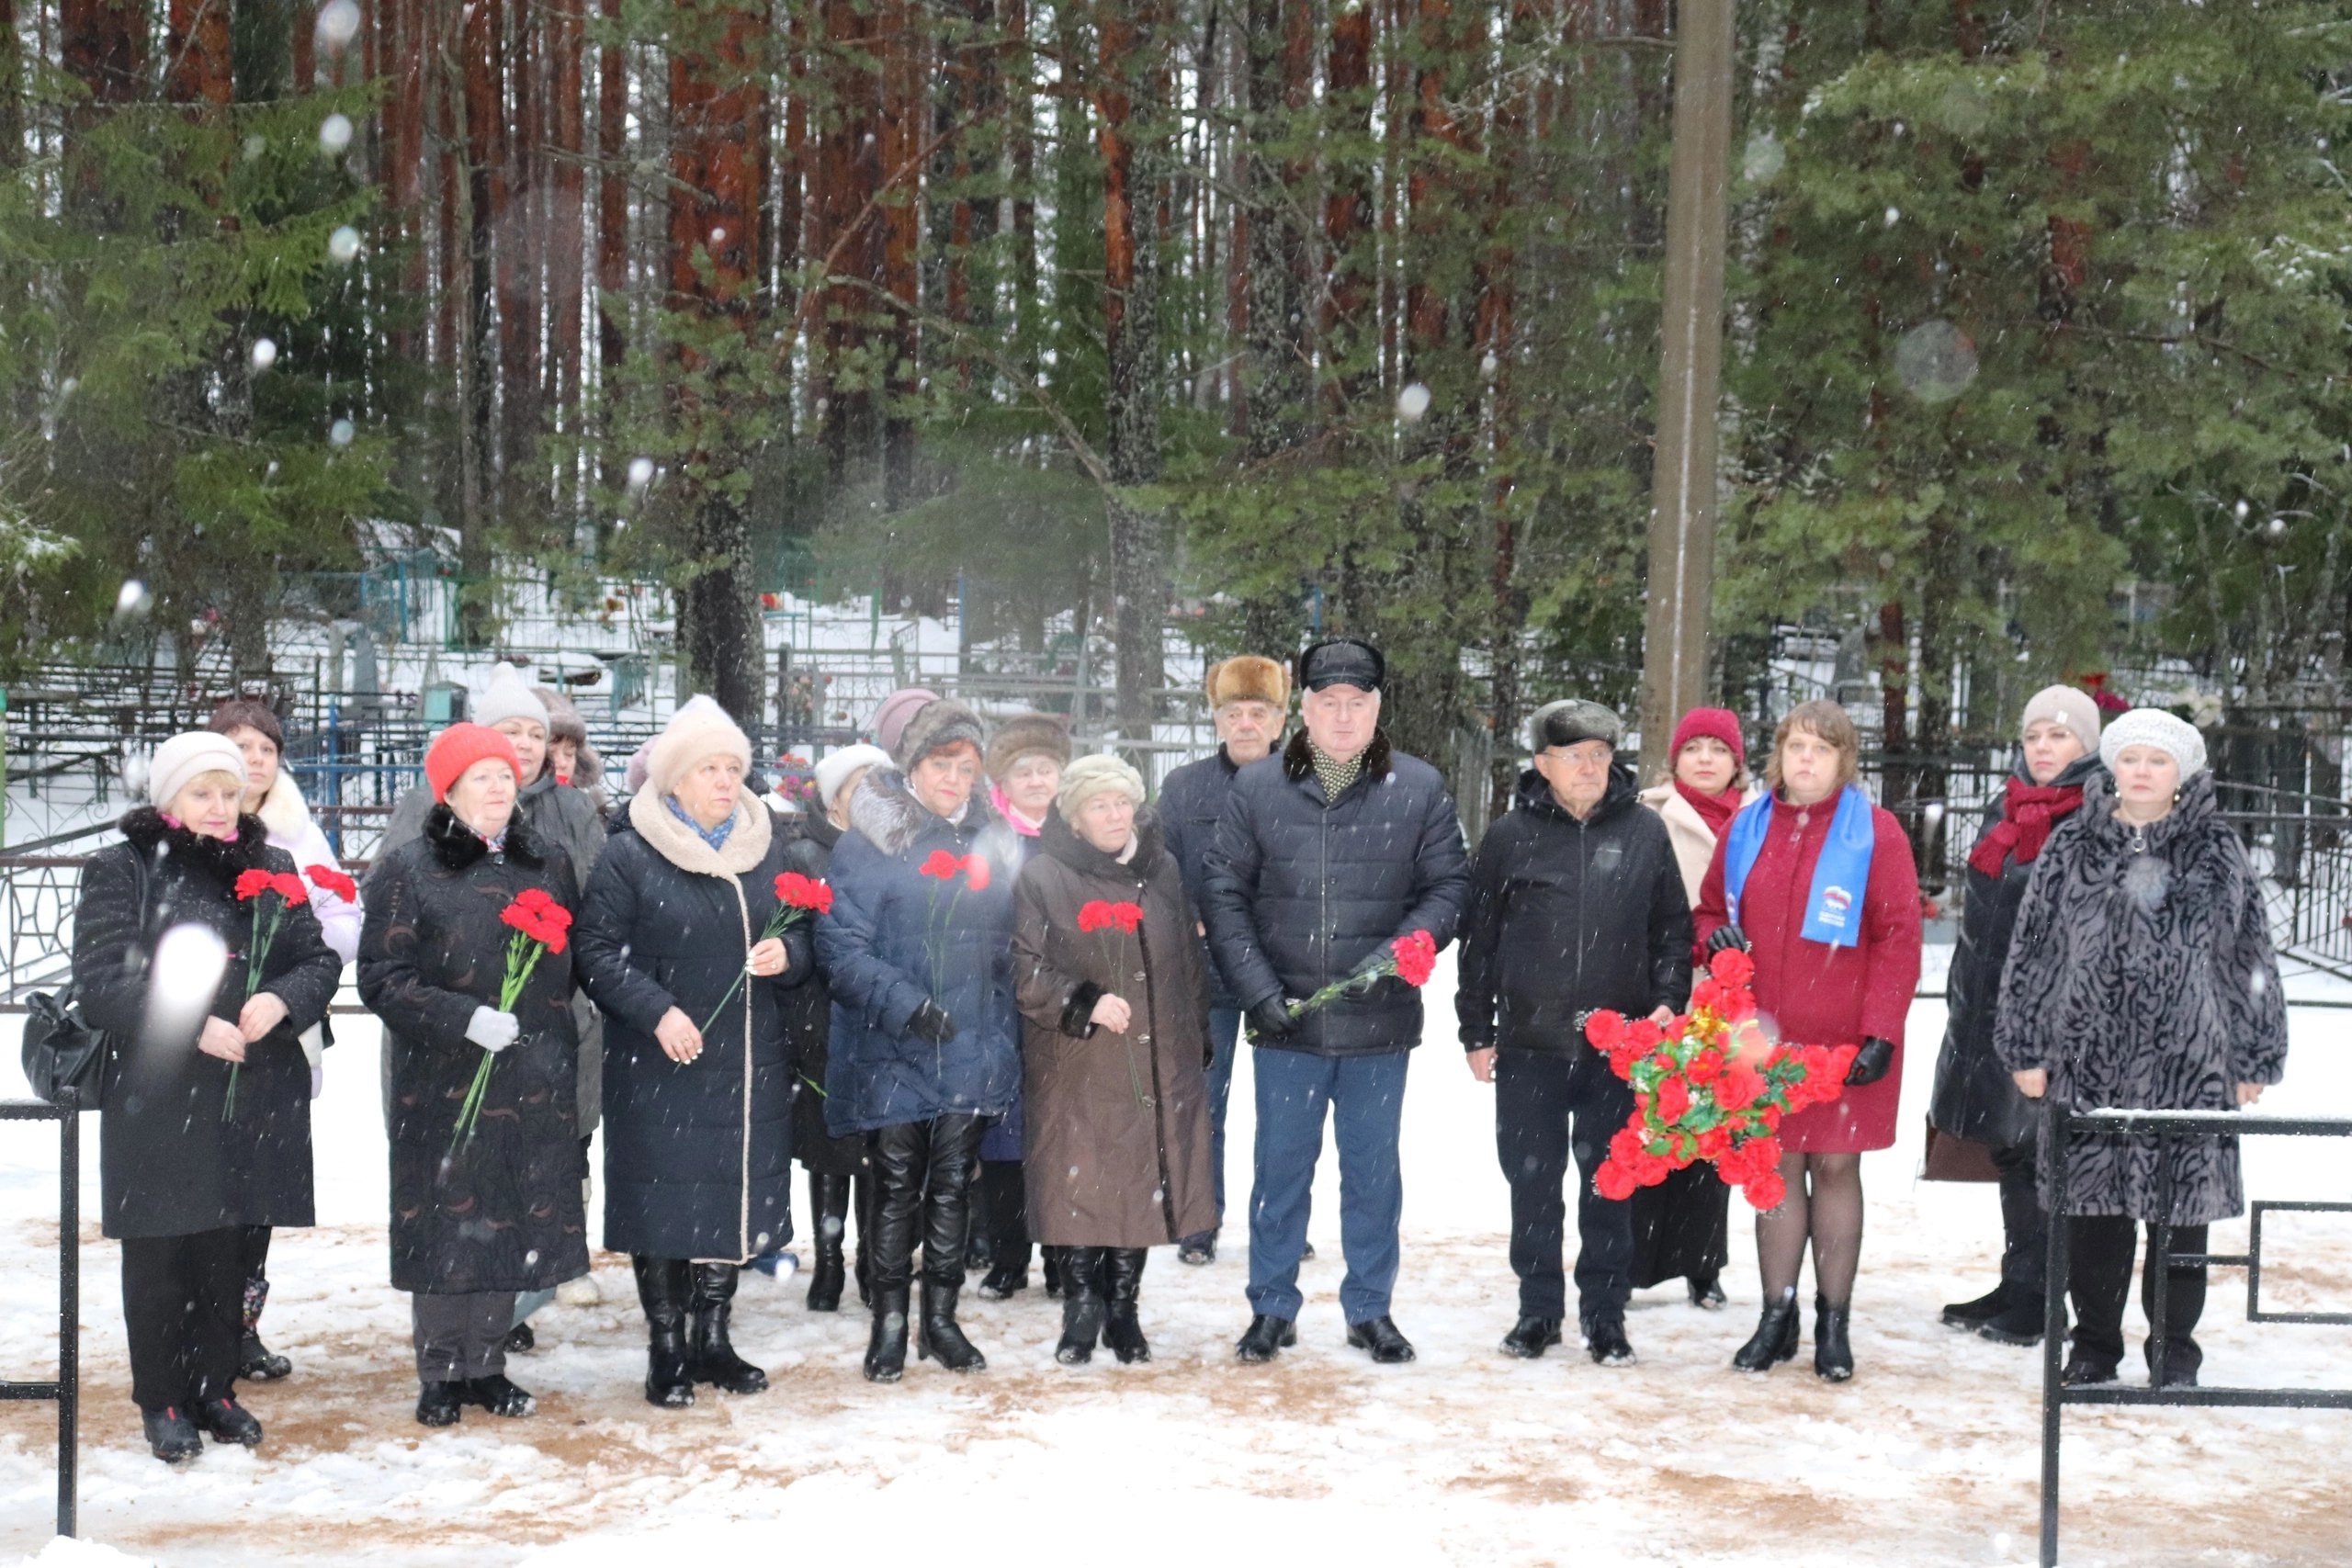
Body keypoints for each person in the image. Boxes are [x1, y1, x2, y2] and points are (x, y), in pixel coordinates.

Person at [1996, 708, 2288, 1388]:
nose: (2143, 771)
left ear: (2182, 772)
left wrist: (2254, 1055)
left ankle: (2174, 1351)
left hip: (2193, 1060)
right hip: (2089, 1059)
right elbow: (2034, 951)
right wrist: (2026, 1047)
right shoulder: (2072, 846)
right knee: (2093, 1216)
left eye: (2159, 760)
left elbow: (2251, 956)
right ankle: (2095, 1345)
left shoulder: (2217, 848)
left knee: (2181, 1218)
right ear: (2112, 767)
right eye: (2131, 758)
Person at [73, 732, 342, 1462]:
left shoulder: (272, 864)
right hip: (160, 1095)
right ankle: (162, 1399)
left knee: (228, 1247)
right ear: (168, 799)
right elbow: (102, 981)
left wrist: (283, 1000)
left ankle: (216, 1388)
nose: (221, 806)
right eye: (203, 792)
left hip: (249, 1089)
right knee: (162, 1253)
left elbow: (318, 958)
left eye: (230, 791)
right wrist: (194, 1023)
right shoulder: (122, 869)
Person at [1201, 637, 1470, 1365]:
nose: (1343, 717)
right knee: (1280, 1169)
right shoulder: (1257, 790)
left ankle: (1369, 1307)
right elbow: (1224, 894)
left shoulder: (1416, 788)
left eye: (1358, 703)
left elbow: (1448, 888)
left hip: (1377, 1025)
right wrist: (1257, 989)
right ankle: (1272, 1305)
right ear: (1306, 710)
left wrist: (1401, 951)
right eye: (1328, 703)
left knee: (1372, 1170)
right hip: (1286, 1020)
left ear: (1378, 709)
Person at [574, 701, 809, 1406]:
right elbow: (595, 954)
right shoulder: (631, 851)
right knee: (666, 1206)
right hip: (662, 1065)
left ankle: (715, 1337)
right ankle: (667, 1347)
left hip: (746, 1061)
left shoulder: (767, 846)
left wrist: (788, 953)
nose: (724, 780)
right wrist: (659, 1011)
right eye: (709, 767)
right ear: (675, 777)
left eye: (734, 767)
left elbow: (809, 937)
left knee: (729, 1203)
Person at [358, 724, 589, 1427]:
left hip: (530, 1073)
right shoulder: (409, 867)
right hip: (443, 1078)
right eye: (480, 776)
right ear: (449, 790)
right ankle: (439, 1369)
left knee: (508, 1214)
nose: (498, 786)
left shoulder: (545, 860)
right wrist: (461, 1016)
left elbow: (576, 956)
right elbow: (381, 977)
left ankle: (487, 1363)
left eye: (503, 774)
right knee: (445, 1221)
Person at [1457, 700, 1691, 1367]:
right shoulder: (1509, 836)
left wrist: (1668, 1001)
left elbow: (1672, 928)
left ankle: (1605, 1313)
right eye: (1572, 756)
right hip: (1530, 1042)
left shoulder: (1645, 832)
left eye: (1598, 754)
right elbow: (1480, 941)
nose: (1588, 767)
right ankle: (1538, 1310)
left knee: (1609, 1181)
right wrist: (1476, 1027)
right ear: (1542, 765)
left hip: (1618, 1046)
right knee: (1532, 1183)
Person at [1694, 699, 1921, 1382]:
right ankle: (1776, 1312)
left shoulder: (1876, 834)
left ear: (1844, 760)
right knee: (1775, 1170)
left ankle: (1834, 1318)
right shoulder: (1745, 828)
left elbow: (1898, 937)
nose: (1806, 759)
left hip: (1847, 1039)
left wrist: (1881, 1029)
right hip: (1762, 1038)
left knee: (1834, 1170)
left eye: (1821, 749)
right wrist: (1715, 938)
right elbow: (1709, 910)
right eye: (1796, 746)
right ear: (1778, 755)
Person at [384, 665, 608, 1322]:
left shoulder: (568, 810)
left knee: (540, 1169)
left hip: (545, 1025)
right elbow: (397, 917)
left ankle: (511, 1311)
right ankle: (454, 1338)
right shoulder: (424, 812)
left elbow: (590, 909)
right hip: (448, 1032)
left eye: (534, 734)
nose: (525, 746)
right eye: (509, 733)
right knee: (456, 1184)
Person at [817, 700, 1021, 1382]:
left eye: (967, 767)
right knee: (897, 1185)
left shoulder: (988, 839)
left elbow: (1007, 939)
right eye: (942, 764)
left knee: (954, 1187)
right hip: (894, 1044)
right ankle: (890, 1323)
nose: (955, 779)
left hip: (967, 1038)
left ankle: (941, 1318)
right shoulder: (873, 838)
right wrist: (905, 1006)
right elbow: (841, 946)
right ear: (913, 764)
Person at [1012, 754, 1217, 1365]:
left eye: (1122, 801)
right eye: (1098, 804)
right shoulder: (1044, 876)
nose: (1114, 814)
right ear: (1074, 817)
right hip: (1079, 1055)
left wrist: (1195, 1031)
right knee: (1082, 1180)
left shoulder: (1163, 870)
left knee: (1141, 1182)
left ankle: (1123, 1311)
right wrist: (1085, 1001)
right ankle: (1081, 1312)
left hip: (1158, 1054)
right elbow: (1026, 967)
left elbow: (1185, 958)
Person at [1928, 687, 2104, 1347]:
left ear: (2086, 745)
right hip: (1989, 1005)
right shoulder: (2010, 807)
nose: (2044, 748)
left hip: (2055, 1018)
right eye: (2035, 736)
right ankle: (2021, 1278)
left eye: (2059, 737)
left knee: (2047, 1152)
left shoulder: (2095, 814)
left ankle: (2045, 1295)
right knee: (2012, 1147)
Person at [209, 697, 365, 1383]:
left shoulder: (297, 832)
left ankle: (242, 1326)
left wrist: (291, 967)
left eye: (267, 748)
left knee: (261, 1187)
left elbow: (342, 911)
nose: (256, 760)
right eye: (242, 746)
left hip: (280, 1026)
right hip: (207, 1030)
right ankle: (198, 1327)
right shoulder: (197, 829)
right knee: (207, 1181)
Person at [1158, 654, 1290, 1266]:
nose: (1244, 723)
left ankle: (1279, 1219)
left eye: (1256, 711)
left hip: (1283, 972)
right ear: (1216, 720)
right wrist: (1188, 915)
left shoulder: (1307, 783)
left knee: (1285, 1107)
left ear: (1280, 718)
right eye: (1232, 712)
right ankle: (1198, 1219)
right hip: (1204, 975)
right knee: (1203, 1099)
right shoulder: (1184, 788)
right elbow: (1159, 869)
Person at [1631, 706, 1750, 1310]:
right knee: (1652, 1125)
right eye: (1693, 747)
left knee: (1713, 1130)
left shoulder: (1761, 819)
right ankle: (1635, 1258)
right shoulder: (1646, 815)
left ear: (1738, 761)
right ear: (1674, 758)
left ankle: (1703, 1262)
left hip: (1730, 999)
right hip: (1662, 994)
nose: (1705, 758)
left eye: (1718, 748)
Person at [787, 743, 893, 1313]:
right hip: (825, 1017)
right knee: (830, 1151)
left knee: (881, 1149)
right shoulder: (805, 855)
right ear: (834, 799)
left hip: (883, 1019)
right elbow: (799, 932)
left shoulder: (897, 850)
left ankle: (875, 1262)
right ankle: (828, 1262)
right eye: (860, 788)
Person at [973, 712, 1071, 1299]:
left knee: (1062, 1138)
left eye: (1046, 769)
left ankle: (1064, 1255)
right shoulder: (994, 841)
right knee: (1006, 1140)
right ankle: (1009, 1256)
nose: (1037, 781)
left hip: (1065, 1008)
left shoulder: (1079, 837)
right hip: (1004, 1005)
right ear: (1002, 784)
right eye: (1023, 772)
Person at [537, 686, 608, 818]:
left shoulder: (589, 815)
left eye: (569, 754)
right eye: (551, 753)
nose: (562, 763)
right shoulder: (506, 817)